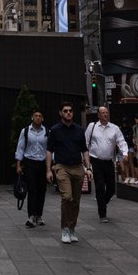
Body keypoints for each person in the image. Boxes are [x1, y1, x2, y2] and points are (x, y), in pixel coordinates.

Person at [46, 102, 93, 244]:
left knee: (76, 201)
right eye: (65, 111)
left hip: (78, 167)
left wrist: (88, 167)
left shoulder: (79, 130)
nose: (68, 113)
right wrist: (48, 170)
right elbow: (49, 150)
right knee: (67, 197)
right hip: (62, 167)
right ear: (60, 113)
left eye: (70, 111)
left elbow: (84, 150)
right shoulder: (55, 130)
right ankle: (65, 228)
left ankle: (72, 228)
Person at [85, 106, 129, 222]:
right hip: (96, 160)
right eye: (103, 112)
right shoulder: (92, 127)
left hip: (109, 161)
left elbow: (121, 142)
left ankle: (102, 202)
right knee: (99, 186)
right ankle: (102, 214)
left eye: (106, 112)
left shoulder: (114, 128)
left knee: (111, 188)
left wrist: (124, 153)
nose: (105, 114)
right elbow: (85, 142)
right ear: (98, 115)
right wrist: (86, 161)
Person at [15, 109, 48, 228]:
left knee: (42, 189)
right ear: (32, 118)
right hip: (30, 163)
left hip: (43, 163)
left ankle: (39, 215)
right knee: (32, 189)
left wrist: (52, 165)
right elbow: (20, 147)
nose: (38, 118)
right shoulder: (25, 131)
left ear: (42, 119)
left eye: (40, 116)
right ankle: (31, 216)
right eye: (35, 116)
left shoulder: (46, 131)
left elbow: (49, 149)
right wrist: (18, 165)